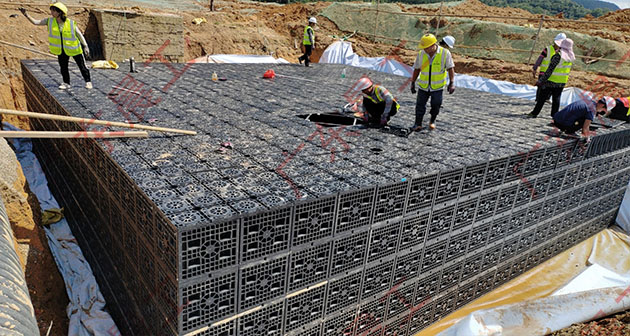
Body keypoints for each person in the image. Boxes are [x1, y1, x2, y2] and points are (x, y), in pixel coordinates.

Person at [20, 2, 92, 90]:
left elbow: (79, 35)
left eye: (54, 11)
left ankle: (88, 82)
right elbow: (36, 22)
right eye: (51, 10)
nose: (52, 12)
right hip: (61, 50)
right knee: (63, 67)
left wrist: (85, 46)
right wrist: (26, 15)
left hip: (74, 48)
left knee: (82, 66)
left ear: (60, 12)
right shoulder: (49, 21)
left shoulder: (70, 23)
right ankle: (66, 83)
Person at [410, 33, 455, 131]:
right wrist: (413, 82)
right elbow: (417, 69)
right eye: (424, 47)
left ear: (433, 45)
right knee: (420, 106)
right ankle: (418, 123)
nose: (425, 49)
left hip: (437, 87)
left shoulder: (445, 53)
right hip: (423, 85)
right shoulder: (421, 54)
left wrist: (451, 83)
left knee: (436, 105)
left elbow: (450, 68)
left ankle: (432, 120)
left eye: (426, 47)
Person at [527, 33, 574, 118]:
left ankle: (535, 113)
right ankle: (555, 116)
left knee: (542, 97)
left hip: (551, 80)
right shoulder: (570, 57)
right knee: (556, 99)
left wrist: (540, 81)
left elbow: (550, 70)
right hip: (562, 81)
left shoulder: (558, 56)